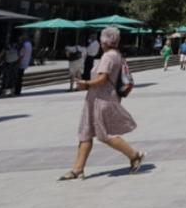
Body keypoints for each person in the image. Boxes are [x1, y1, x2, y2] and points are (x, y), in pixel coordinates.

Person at [59, 26, 145, 180]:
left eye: (101, 39)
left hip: (101, 99)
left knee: (104, 134)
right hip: (97, 99)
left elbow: (102, 80)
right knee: (85, 132)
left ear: (105, 40)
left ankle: (134, 155)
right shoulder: (117, 54)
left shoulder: (108, 57)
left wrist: (85, 83)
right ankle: (77, 169)